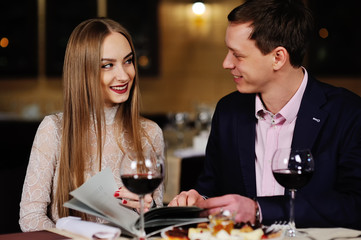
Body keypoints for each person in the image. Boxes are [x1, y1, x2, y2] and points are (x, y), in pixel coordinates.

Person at [168, 0, 361, 230]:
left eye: (237, 55)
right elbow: (210, 190)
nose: (226, 63)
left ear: (278, 57)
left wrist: (259, 210)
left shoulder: (348, 113)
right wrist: (200, 201)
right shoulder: (228, 111)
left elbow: (355, 205)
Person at [19, 18, 165, 232]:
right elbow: (31, 218)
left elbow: (155, 224)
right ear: (82, 72)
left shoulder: (150, 133)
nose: (124, 75)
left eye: (128, 61)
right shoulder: (54, 129)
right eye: (107, 65)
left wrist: (148, 210)